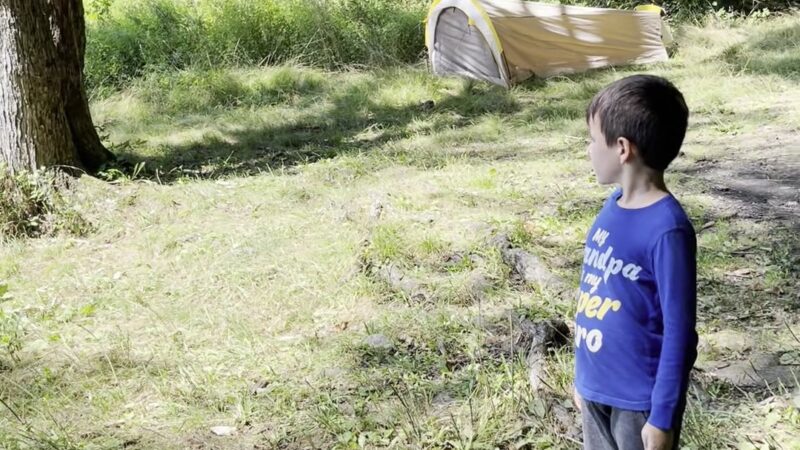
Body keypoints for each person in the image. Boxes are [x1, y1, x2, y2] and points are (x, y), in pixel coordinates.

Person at [572, 74, 698, 450]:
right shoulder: (610, 208)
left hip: (638, 405)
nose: (589, 149)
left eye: (594, 140)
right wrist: (582, 379)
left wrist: (662, 417)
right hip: (596, 391)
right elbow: (592, 292)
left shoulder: (667, 230)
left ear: (623, 148)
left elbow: (680, 333)